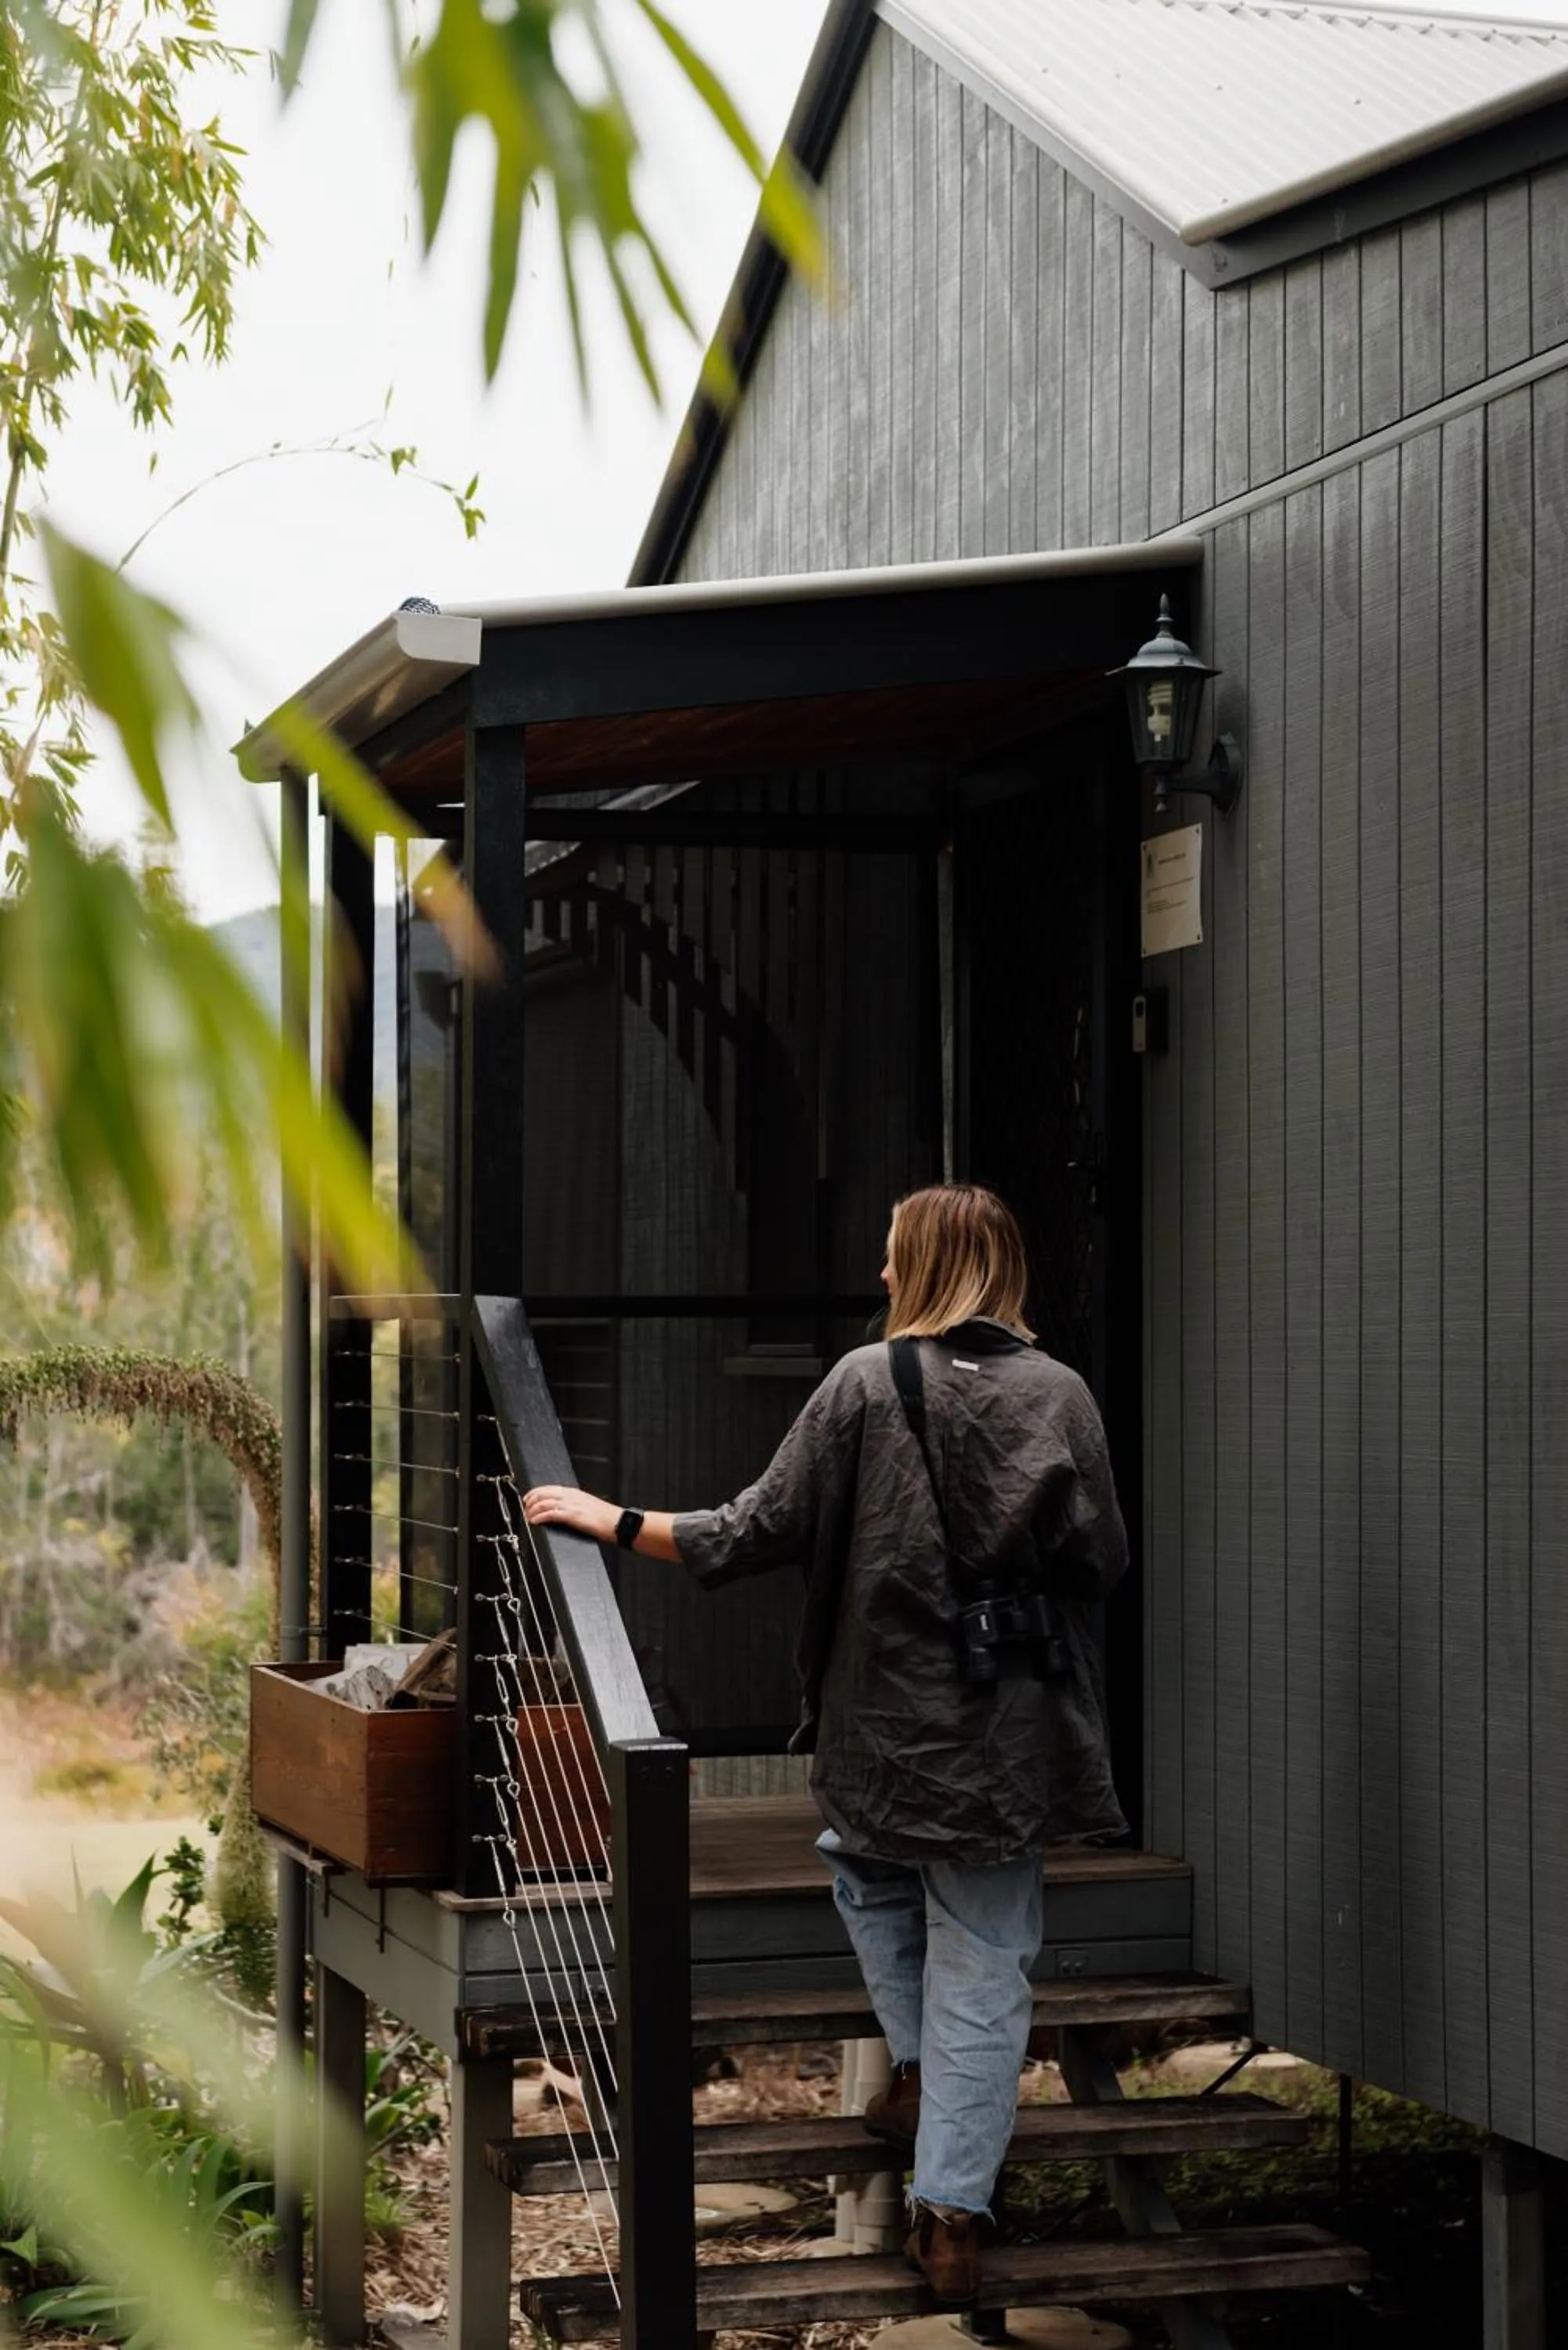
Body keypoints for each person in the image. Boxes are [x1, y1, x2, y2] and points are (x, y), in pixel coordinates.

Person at [523, 1181, 1128, 2306]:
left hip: (888, 1722)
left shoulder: (864, 1381)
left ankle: (930, 2112)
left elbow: (754, 1529)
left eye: (896, 1256)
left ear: (929, 1264)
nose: (884, 1274)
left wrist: (610, 1518)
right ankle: (949, 2209)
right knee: (984, 1957)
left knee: (864, 1863)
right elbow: (1101, 1562)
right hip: (1013, 1725)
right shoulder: (1062, 1393)